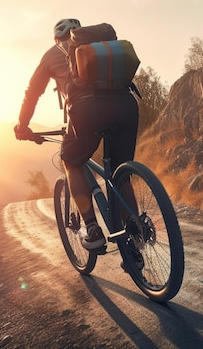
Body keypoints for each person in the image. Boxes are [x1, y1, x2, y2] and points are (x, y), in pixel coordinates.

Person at [14, 18, 139, 251]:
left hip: (87, 110)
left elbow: (32, 93)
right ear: (78, 33)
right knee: (121, 172)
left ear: (56, 38)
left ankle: (92, 229)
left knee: (72, 162)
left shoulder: (52, 53)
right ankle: (136, 232)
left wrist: (23, 126)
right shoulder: (101, 45)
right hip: (126, 105)